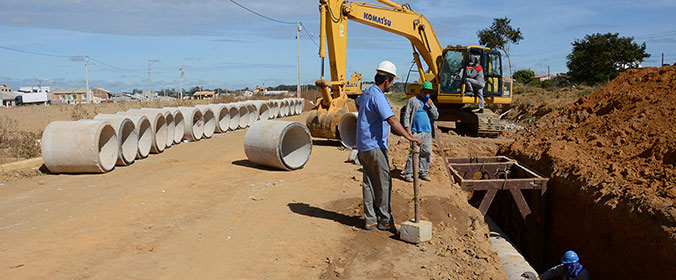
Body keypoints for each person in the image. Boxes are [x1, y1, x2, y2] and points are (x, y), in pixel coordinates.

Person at [355, 60, 422, 233]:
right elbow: (391, 119)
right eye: (392, 82)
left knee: (369, 182)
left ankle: (370, 220)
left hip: (363, 145)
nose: (392, 85)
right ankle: (385, 220)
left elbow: (357, 102)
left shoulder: (367, 92)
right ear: (386, 80)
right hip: (375, 146)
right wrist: (409, 137)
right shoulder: (378, 96)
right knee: (384, 183)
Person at [401, 81, 439, 182]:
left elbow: (436, 116)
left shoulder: (429, 103)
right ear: (421, 91)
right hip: (416, 132)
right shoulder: (413, 100)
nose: (427, 94)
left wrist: (431, 106)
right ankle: (408, 173)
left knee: (426, 153)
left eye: (429, 92)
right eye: (426, 92)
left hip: (427, 132)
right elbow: (407, 114)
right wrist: (407, 128)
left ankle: (423, 172)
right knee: (414, 153)